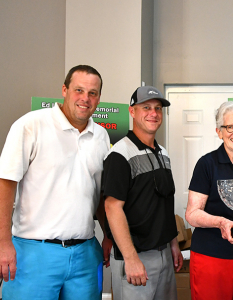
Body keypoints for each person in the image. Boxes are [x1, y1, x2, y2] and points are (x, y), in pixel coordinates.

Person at [0, 65, 111, 299]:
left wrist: (108, 235)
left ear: (98, 98)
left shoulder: (101, 136)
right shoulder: (31, 125)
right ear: (64, 90)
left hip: (85, 254)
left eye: (93, 93)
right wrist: (1, 242)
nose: (85, 99)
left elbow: (99, 194)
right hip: (34, 253)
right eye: (79, 90)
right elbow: (4, 184)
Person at [102, 86, 183, 300]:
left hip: (164, 253)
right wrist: (131, 259)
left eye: (157, 108)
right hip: (135, 258)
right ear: (132, 111)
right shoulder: (120, 154)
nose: (153, 113)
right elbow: (112, 207)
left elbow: (165, 202)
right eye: (146, 107)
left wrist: (173, 243)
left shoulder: (162, 153)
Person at [185, 101, 233, 300]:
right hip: (212, 256)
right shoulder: (206, 164)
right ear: (220, 132)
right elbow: (192, 214)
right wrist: (221, 222)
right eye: (230, 127)